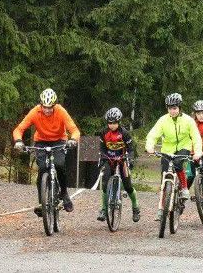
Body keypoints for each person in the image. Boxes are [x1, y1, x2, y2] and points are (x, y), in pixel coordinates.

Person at [12, 88, 81, 216]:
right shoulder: (35, 112)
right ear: (41, 105)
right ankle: (42, 204)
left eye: (50, 107)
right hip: (41, 141)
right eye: (45, 107)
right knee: (43, 169)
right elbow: (19, 129)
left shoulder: (60, 111)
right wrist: (18, 141)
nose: (47, 110)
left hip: (59, 140)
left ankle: (64, 193)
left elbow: (74, 130)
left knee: (60, 165)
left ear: (54, 105)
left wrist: (73, 140)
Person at [146, 93, 202, 220]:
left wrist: (198, 151)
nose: (172, 111)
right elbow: (153, 134)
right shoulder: (163, 120)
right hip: (167, 150)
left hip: (183, 148)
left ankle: (184, 187)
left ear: (179, 108)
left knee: (177, 164)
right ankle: (161, 208)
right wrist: (150, 146)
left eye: (175, 108)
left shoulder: (188, 120)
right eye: (170, 108)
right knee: (164, 179)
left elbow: (196, 137)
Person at [97, 107, 140, 222]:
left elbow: (131, 149)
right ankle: (104, 209)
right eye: (109, 123)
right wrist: (101, 158)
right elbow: (102, 148)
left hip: (122, 159)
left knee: (128, 186)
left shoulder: (124, 133)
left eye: (114, 123)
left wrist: (129, 159)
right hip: (109, 159)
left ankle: (135, 207)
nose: (112, 125)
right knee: (105, 183)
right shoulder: (104, 132)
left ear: (119, 122)